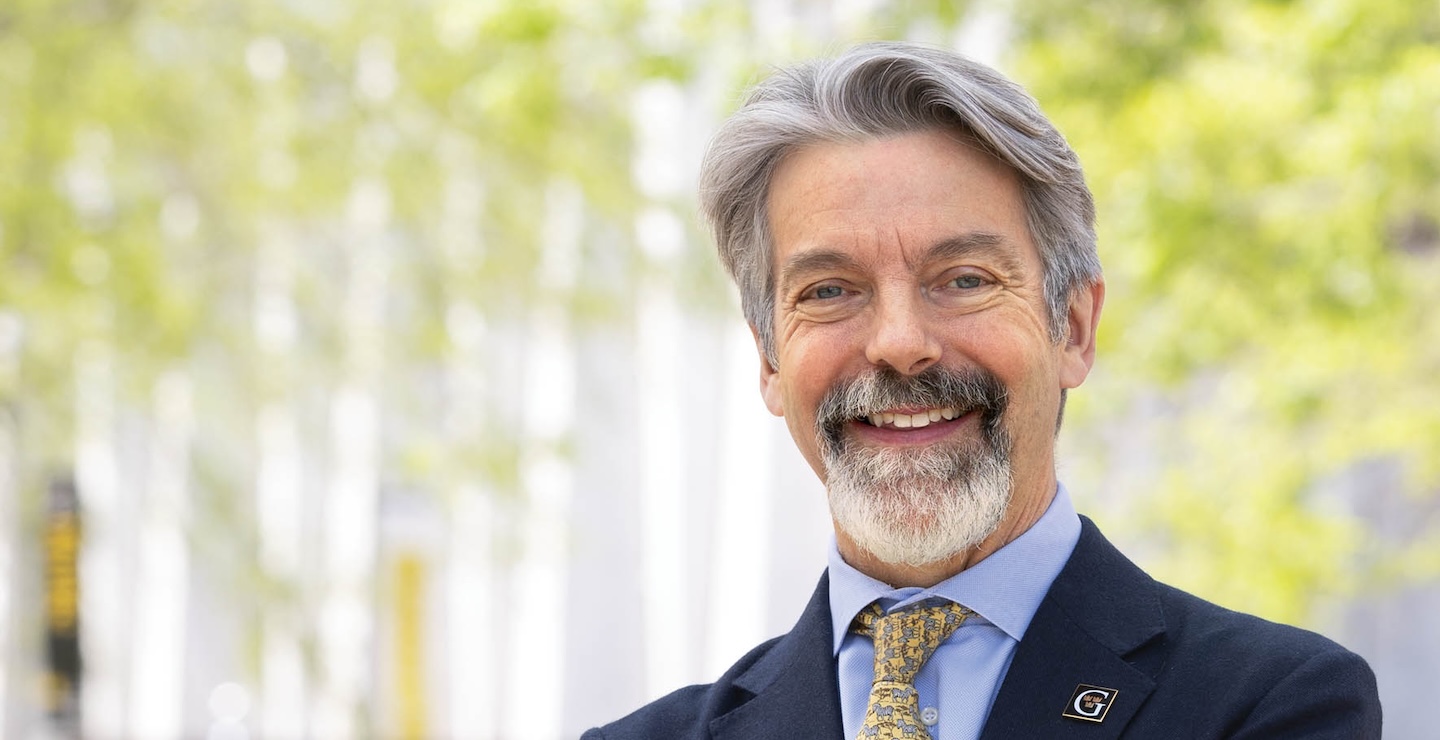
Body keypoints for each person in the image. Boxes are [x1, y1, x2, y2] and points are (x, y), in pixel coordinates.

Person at [583, 41, 1382, 740]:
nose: (899, 343)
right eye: (829, 291)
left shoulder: (1270, 704)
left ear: (1073, 328)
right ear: (768, 359)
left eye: (963, 279)